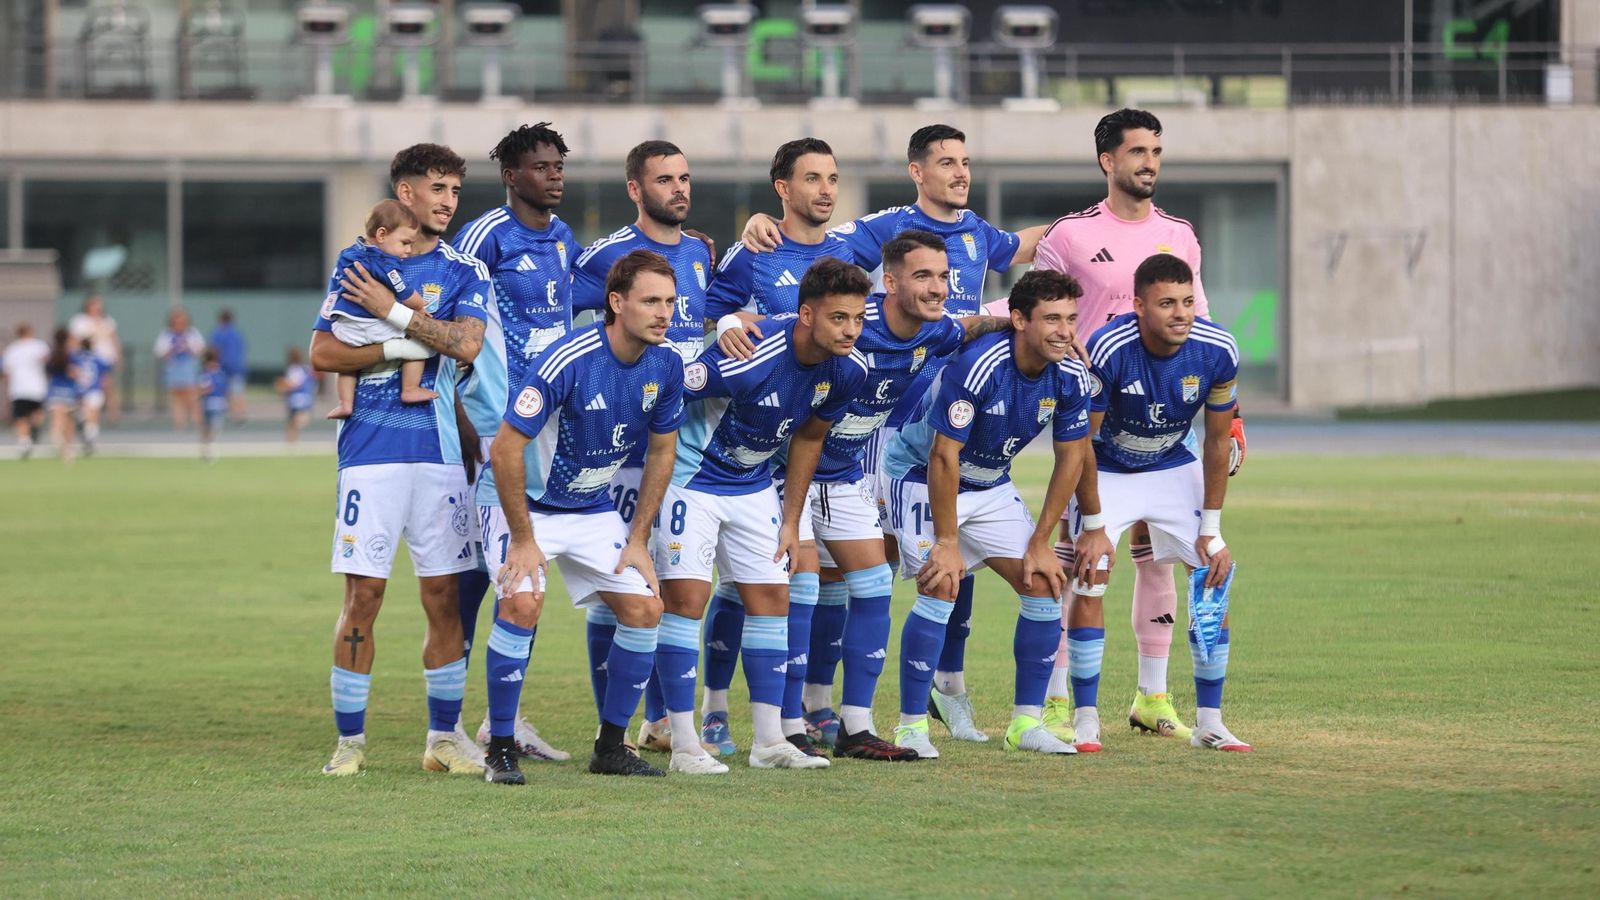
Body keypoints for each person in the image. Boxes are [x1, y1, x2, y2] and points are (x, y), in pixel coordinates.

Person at [741, 125, 1055, 746]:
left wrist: (1099, 229)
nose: (960, 173)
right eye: (946, 162)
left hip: (916, 437)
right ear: (917, 171)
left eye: (966, 162)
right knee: (826, 576)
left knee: (881, 575)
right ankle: (791, 715)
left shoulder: (973, 245)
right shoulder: (874, 261)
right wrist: (758, 237)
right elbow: (813, 247)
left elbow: (994, 286)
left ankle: (863, 713)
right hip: (882, 447)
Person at [706, 230, 1014, 762]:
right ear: (889, 283)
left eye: (943, 276)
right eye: (923, 276)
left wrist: (1022, 324)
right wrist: (732, 321)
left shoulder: (935, 332)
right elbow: (775, 329)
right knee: (788, 592)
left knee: (871, 585)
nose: (938, 286)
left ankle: (855, 724)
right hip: (782, 474)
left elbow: (969, 326)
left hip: (847, 475)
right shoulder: (848, 323)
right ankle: (781, 723)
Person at [1024, 108, 1247, 745]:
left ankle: (1153, 697)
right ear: (1108, 161)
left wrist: (1231, 418)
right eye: (1137, 152)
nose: (1149, 162)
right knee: (1079, 561)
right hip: (1092, 415)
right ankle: (1062, 701)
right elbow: (1036, 302)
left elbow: (1199, 322)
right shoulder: (1069, 234)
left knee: (1161, 566)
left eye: (1156, 151)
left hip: (1166, 425)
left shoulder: (1180, 234)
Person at [308, 143, 490, 777]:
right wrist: (397, 347)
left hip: (440, 456)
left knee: (444, 597)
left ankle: (444, 738)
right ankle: (349, 744)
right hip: (369, 455)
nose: (447, 201)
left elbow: (466, 343)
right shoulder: (356, 259)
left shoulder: (466, 269)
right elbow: (324, 354)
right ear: (404, 193)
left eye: (455, 191)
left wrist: (390, 313)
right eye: (437, 188)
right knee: (364, 597)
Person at [651, 257, 869, 773]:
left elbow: (809, 439)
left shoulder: (849, 369)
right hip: (694, 478)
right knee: (687, 599)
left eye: (858, 319)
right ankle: (684, 746)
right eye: (839, 318)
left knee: (774, 598)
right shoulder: (749, 355)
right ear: (806, 315)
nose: (851, 330)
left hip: (752, 486)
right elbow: (672, 390)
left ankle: (769, 741)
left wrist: (791, 521)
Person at [879, 268, 1107, 758]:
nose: (1065, 331)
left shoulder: (1070, 376)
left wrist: (1042, 540)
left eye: (1071, 318)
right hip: (920, 474)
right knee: (940, 584)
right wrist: (946, 541)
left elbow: (1072, 457)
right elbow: (943, 455)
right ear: (1020, 319)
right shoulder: (980, 366)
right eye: (1051, 319)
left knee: (1045, 582)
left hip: (989, 484)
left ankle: (1025, 725)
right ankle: (911, 727)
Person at [483, 249, 687, 782]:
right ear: (615, 303)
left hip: (591, 508)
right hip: (525, 508)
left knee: (645, 610)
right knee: (524, 602)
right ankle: (500, 746)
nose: (664, 312)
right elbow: (504, 451)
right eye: (651, 301)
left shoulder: (666, 365)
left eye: (670, 301)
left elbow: (663, 452)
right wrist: (523, 540)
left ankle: (610, 747)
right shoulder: (567, 360)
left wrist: (638, 539)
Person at [694, 137, 857, 756]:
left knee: (804, 583)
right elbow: (708, 311)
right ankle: (714, 710)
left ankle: (793, 717)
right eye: (812, 178)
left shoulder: (849, 250)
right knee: (743, 586)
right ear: (783, 190)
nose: (825, 189)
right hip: (749, 445)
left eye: (833, 178)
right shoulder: (755, 249)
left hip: (816, 442)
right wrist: (733, 322)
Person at [1063, 253, 1249, 753]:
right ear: (1139, 305)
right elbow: (1080, 442)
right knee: (1091, 571)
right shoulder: (1108, 348)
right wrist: (1095, 523)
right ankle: (1084, 718)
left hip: (1170, 464)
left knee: (1214, 570)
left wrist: (1211, 526)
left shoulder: (1218, 349)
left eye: (1188, 301)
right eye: (1167, 303)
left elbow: (1215, 441)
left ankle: (1210, 721)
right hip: (1108, 468)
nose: (1182, 313)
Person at [569, 139, 714, 753]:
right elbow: (563, 323)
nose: (678, 189)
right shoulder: (605, 256)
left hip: (686, 445)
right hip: (621, 450)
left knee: (676, 584)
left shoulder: (705, 252)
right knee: (621, 586)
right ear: (636, 189)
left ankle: (660, 721)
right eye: (664, 180)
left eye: (684, 178)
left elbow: (721, 319)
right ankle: (617, 726)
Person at [453, 122, 579, 762]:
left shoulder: (563, 238)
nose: (554, 174)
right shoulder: (484, 238)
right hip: (490, 429)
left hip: (547, 426)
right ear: (512, 176)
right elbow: (459, 334)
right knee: (471, 579)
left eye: (559, 165)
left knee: (521, 576)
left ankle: (502, 719)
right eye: (541, 166)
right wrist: (471, 427)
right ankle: (448, 723)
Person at [322, 200, 433, 420]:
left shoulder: (348, 253)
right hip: (370, 324)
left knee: (347, 365)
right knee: (419, 341)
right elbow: (404, 292)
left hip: (344, 326)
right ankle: (410, 389)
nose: (409, 250)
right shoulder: (384, 262)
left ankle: (345, 403)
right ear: (381, 235)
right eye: (405, 243)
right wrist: (420, 307)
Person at [68, 296, 121, 426]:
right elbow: (73, 340)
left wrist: (118, 355)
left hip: (104, 359)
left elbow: (114, 340)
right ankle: (83, 414)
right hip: (85, 360)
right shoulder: (80, 321)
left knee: (107, 386)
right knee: (84, 387)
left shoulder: (107, 321)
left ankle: (113, 417)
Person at [3, 323, 49, 458]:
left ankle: (24, 441)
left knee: (21, 416)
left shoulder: (12, 349)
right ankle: (33, 429)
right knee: (37, 413)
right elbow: (47, 361)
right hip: (37, 387)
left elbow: (7, 373)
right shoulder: (39, 346)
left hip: (19, 388)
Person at [154, 309, 205, 431]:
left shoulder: (192, 333)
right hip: (173, 367)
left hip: (188, 366)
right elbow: (159, 350)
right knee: (177, 398)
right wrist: (171, 350)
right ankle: (179, 424)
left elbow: (200, 348)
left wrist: (188, 348)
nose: (179, 325)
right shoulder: (166, 334)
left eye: (182, 322)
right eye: (176, 322)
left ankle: (197, 423)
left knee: (193, 397)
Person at [43, 328, 80, 463]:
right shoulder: (71, 355)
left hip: (55, 390)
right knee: (69, 421)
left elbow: (47, 371)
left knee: (58, 419)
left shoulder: (51, 354)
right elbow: (74, 372)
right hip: (68, 390)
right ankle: (67, 448)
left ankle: (60, 443)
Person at [69, 337, 108, 455]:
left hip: (80, 390)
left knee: (85, 414)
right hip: (94, 390)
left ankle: (86, 433)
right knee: (93, 416)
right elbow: (105, 373)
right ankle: (89, 436)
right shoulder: (98, 358)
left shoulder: (75, 357)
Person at [210, 309, 249, 424]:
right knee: (238, 391)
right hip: (237, 366)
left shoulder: (218, 333)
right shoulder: (237, 333)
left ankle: (233, 415)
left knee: (227, 392)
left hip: (223, 367)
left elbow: (214, 350)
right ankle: (241, 414)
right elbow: (243, 348)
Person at [276, 347, 315, 443]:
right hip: (303, 397)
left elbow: (294, 384)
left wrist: (282, 386)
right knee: (297, 419)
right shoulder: (305, 369)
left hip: (298, 397)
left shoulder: (295, 369)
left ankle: (291, 439)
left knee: (295, 420)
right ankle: (292, 440)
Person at [198, 348, 229, 462]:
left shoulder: (214, 374)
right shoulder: (212, 374)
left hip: (213, 403)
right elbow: (205, 389)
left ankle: (207, 448)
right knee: (213, 428)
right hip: (213, 403)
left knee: (211, 428)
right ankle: (209, 448)